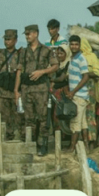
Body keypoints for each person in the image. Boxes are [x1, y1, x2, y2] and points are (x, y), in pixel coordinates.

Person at [16, 24, 59, 156]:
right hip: (26, 88)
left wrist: (42, 72)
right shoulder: (23, 51)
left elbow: (55, 65)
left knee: (42, 118)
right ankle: (31, 144)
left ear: (36, 34)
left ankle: (43, 144)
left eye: (29, 34)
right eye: (26, 34)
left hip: (41, 89)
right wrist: (16, 90)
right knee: (29, 118)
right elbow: (19, 71)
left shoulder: (46, 50)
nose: (27, 37)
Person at [65, 35, 91, 153]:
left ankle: (72, 148)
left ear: (80, 45)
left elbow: (86, 76)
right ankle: (86, 147)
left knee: (75, 122)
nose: (74, 46)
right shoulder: (72, 58)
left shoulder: (81, 59)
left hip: (79, 95)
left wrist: (73, 92)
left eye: (76, 44)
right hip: (80, 95)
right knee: (83, 123)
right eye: (72, 44)